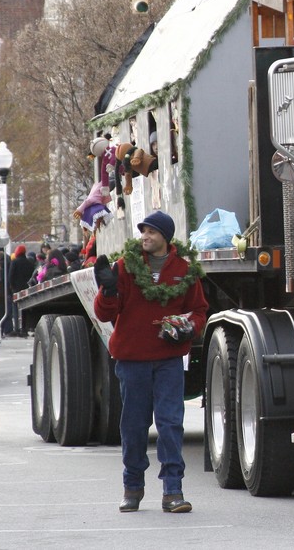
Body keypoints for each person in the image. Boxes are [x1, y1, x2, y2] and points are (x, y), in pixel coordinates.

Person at [93, 211, 208, 514]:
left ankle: (173, 491)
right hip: (132, 360)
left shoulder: (184, 270)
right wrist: (107, 290)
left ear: (165, 238)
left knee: (171, 424)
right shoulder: (125, 268)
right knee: (133, 426)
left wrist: (189, 328)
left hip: (169, 360)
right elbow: (105, 314)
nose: (145, 236)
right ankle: (132, 487)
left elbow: (199, 311)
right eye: (143, 231)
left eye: (152, 232)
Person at [9, 245, 37, 337]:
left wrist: (12, 287)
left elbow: (11, 276)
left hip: (16, 289)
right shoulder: (29, 263)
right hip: (26, 288)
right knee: (25, 308)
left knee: (15, 309)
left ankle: (17, 328)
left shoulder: (15, 262)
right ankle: (24, 328)